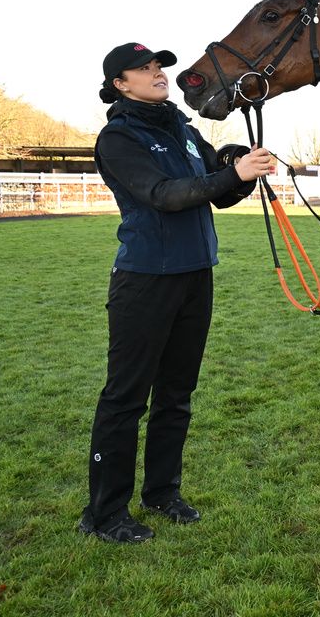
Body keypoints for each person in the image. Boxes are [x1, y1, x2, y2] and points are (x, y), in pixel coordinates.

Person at [79, 42, 276, 543]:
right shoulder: (119, 138)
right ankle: (105, 513)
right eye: (142, 69)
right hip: (145, 280)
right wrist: (230, 174)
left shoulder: (185, 131)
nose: (156, 73)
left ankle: (162, 492)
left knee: (176, 396)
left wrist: (240, 169)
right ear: (120, 84)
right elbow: (164, 196)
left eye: (158, 66)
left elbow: (217, 188)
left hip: (195, 275)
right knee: (125, 399)